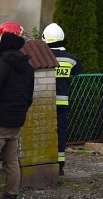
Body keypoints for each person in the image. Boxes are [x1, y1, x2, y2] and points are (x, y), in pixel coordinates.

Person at [0, 21, 35, 199]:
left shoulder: (3, 63)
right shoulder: (27, 67)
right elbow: (29, 96)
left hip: (1, 121)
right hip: (16, 121)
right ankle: (11, 194)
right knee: (11, 161)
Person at [42, 23, 82, 176]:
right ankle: (60, 166)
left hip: (44, 103)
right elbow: (78, 70)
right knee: (61, 133)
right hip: (63, 103)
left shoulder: (42, 56)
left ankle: (44, 162)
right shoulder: (70, 59)